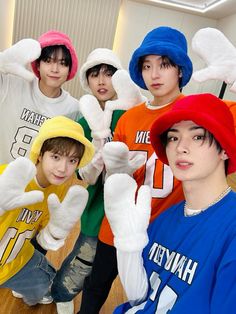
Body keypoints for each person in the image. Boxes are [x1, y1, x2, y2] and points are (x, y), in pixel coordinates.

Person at [78, 26, 193, 314]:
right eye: (147, 66)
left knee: (153, 297)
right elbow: (112, 174)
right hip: (118, 223)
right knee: (96, 285)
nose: (154, 74)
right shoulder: (129, 118)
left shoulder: (196, 111)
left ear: (180, 70)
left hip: (165, 229)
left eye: (164, 65)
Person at [104, 93, 236, 313]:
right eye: (173, 137)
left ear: (224, 149)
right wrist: (128, 246)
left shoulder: (230, 229)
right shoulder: (165, 219)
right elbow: (142, 296)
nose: (180, 147)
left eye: (197, 137)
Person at [51, 48, 145, 314]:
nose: (102, 81)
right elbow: (81, 173)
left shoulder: (133, 113)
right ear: (87, 80)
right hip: (97, 209)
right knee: (85, 257)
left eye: (109, 74)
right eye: (95, 75)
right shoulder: (83, 122)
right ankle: (62, 292)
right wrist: (94, 162)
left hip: (132, 207)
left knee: (123, 267)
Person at [0, 116, 94, 306]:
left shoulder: (59, 190)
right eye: (56, 157)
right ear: (40, 154)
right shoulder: (9, 179)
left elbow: (42, 238)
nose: (62, 168)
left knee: (46, 285)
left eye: (72, 160)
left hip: (17, 261)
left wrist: (55, 232)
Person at [0, 30, 81, 164]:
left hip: (39, 184)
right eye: (48, 61)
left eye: (62, 63)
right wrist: (3, 60)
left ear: (69, 69)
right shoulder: (12, 84)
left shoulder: (74, 108)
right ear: (38, 64)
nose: (55, 69)